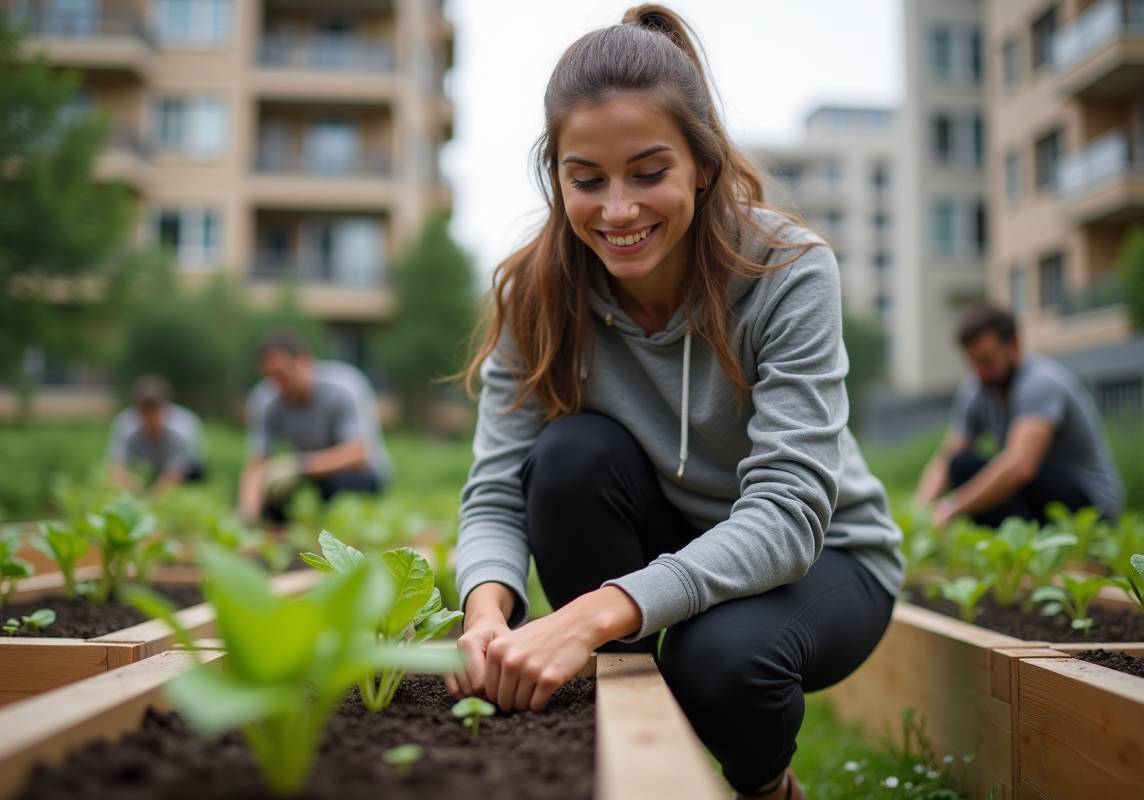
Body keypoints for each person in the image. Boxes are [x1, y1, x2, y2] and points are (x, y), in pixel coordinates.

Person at [446, 7, 905, 800]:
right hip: (668, 537)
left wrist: (590, 617)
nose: (617, 211)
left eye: (648, 172)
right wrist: (485, 612)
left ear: (701, 163)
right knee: (567, 459)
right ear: (556, 175)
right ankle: (643, 754)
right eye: (586, 180)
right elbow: (496, 490)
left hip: (826, 557)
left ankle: (766, 790)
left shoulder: (787, 271)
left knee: (718, 660)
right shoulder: (538, 292)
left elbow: (792, 511)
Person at [915, 305, 1122, 530]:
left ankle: (1032, 539)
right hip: (1036, 495)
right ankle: (1023, 542)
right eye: (973, 362)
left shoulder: (1039, 383)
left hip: (1088, 505)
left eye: (987, 361)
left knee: (1010, 469)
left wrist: (951, 507)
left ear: (1013, 345)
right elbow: (948, 456)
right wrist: (921, 511)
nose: (980, 371)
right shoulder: (976, 389)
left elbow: (1021, 467)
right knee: (961, 465)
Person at [237, 330, 392, 523]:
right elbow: (257, 462)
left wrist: (299, 465)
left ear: (304, 361)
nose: (278, 385)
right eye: (271, 377)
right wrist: (248, 510)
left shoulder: (344, 386)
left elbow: (359, 454)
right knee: (273, 496)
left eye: (282, 375)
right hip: (311, 477)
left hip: (359, 475)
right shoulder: (265, 399)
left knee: (341, 486)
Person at [107, 375, 207, 495]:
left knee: (186, 488)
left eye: (155, 413)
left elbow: (175, 474)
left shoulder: (183, 428)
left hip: (190, 465)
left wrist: (149, 500)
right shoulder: (125, 424)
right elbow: (117, 466)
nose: (150, 420)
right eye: (145, 414)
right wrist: (126, 489)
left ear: (165, 409)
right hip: (156, 462)